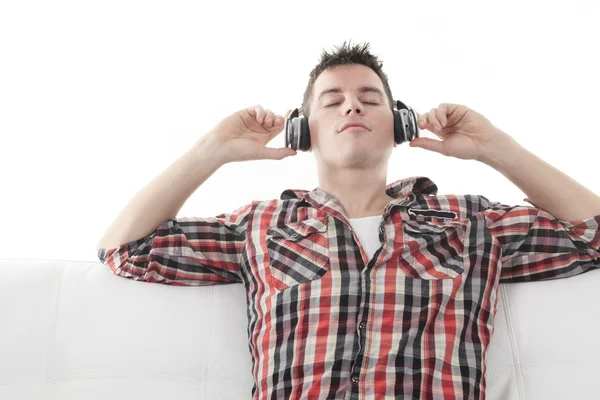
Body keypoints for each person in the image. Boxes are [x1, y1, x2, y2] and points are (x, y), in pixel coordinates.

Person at [97, 41, 600, 399]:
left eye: (370, 97)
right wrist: (212, 151)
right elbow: (125, 251)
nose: (352, 105)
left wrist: (495, 148)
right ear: (303, 130)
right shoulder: (260, 226)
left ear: (400, 125)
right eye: (331, 101)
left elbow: (593, 235)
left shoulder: (469, 221)